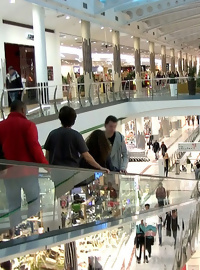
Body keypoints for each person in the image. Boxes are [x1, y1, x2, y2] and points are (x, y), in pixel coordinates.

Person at [44, 106, 108, 172]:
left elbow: (47, 156)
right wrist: (100, 167)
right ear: (73, 120)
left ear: (60, 118)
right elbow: (87, 157)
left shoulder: (52, 134)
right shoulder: (76, 135)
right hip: (72, 172)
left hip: (56, 172)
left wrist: (49, 170)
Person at [0, 100, 48, 164]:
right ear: (23, 110)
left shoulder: (1, 125)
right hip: (27, 170)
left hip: (8, 169)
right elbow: (35, 148)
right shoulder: (29, 125)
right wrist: (47, 166)